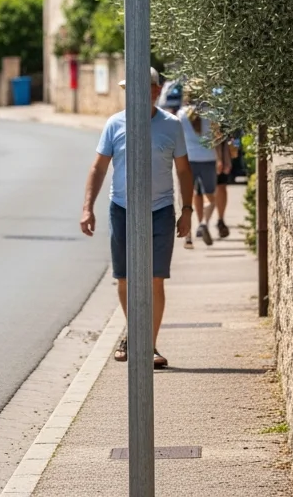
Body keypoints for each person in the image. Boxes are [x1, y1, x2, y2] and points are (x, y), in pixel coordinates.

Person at [80, 67, 194, 369]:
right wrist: (87, 207)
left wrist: (187, 210)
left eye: (139, 88)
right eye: (128, 89)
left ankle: (149, 345)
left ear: (155, 91)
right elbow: (98, 168)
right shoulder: (114, 124)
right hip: (122, 209)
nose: (131, 94)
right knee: (125, 278)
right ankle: (134, 334)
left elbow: (184, 170)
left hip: (160, 210)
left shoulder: (171, 125)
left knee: (156, 279)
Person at [177, 98, 217, 248]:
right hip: (208, 158)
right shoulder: (212, 113)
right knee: (211, 198)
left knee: (185, 199)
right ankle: (203, 223)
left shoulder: (181, 114)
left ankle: (188, 237)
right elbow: (218, 137)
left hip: (188, 160)